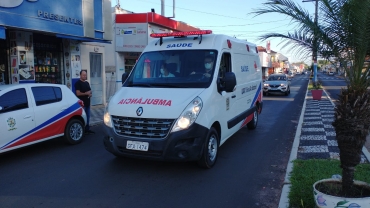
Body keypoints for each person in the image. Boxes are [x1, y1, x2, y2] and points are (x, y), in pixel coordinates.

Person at [75, 70, 95, 134]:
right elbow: (78, 93)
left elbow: (90, 91)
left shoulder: (87, 83)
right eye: (83, 75)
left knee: (88, 117)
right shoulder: (77, 83)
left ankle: (87, 129)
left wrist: (90, 94)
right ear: (80, 75)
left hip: (88, 103)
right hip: (82, 104)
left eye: (85, 75)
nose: (84, 76)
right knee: (82, 117)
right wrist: (86, 93)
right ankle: (82, 130)